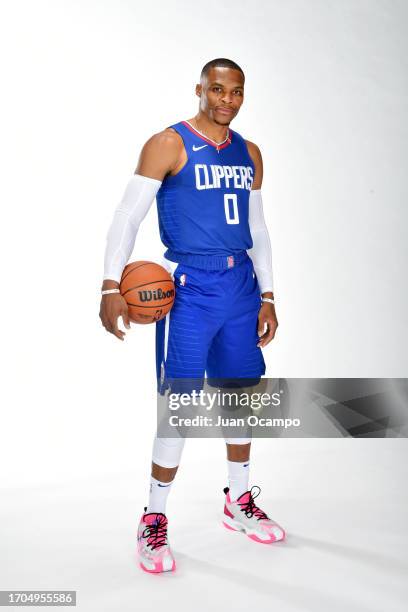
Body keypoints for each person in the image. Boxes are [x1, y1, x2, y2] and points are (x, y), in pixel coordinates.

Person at [99, 58, 286, 574]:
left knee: (242, 396)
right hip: (191, 288)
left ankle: (238, 500)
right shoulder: (169, 143)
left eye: (237, 92)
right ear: (200, 89)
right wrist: (111, 283)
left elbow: (260, 228)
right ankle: (154, 518)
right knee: (179, 402)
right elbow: (127, 214)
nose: (228, 99)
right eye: (218, 89)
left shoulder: (251, 153)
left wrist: (268, 295)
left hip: (241, 287)